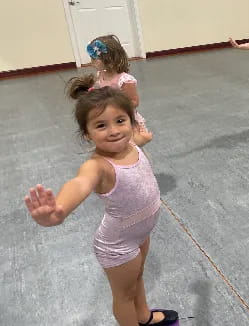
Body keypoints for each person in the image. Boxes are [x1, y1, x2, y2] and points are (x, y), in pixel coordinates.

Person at [24, 87, 177, 326]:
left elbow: (137, 140)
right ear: (87, 133)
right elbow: (80, 182)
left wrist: (144, 139)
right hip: (118, 244)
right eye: (101, 125)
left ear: (132, 120)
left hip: (139, 232)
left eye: (120, 121)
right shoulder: (98, 166)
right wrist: (58, 211)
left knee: (137, 277)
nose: (114, 131)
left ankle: (144, 316)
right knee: (124, 295)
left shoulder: (131, 144)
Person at [70, 34, 152, 146]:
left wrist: (114, 104)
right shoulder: (101, 75)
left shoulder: (125, 80)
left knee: (131, 145)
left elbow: (134, 102)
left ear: (109, 58)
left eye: (95, 59)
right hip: (108, 117)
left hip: (122, 118)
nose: (92, 62)